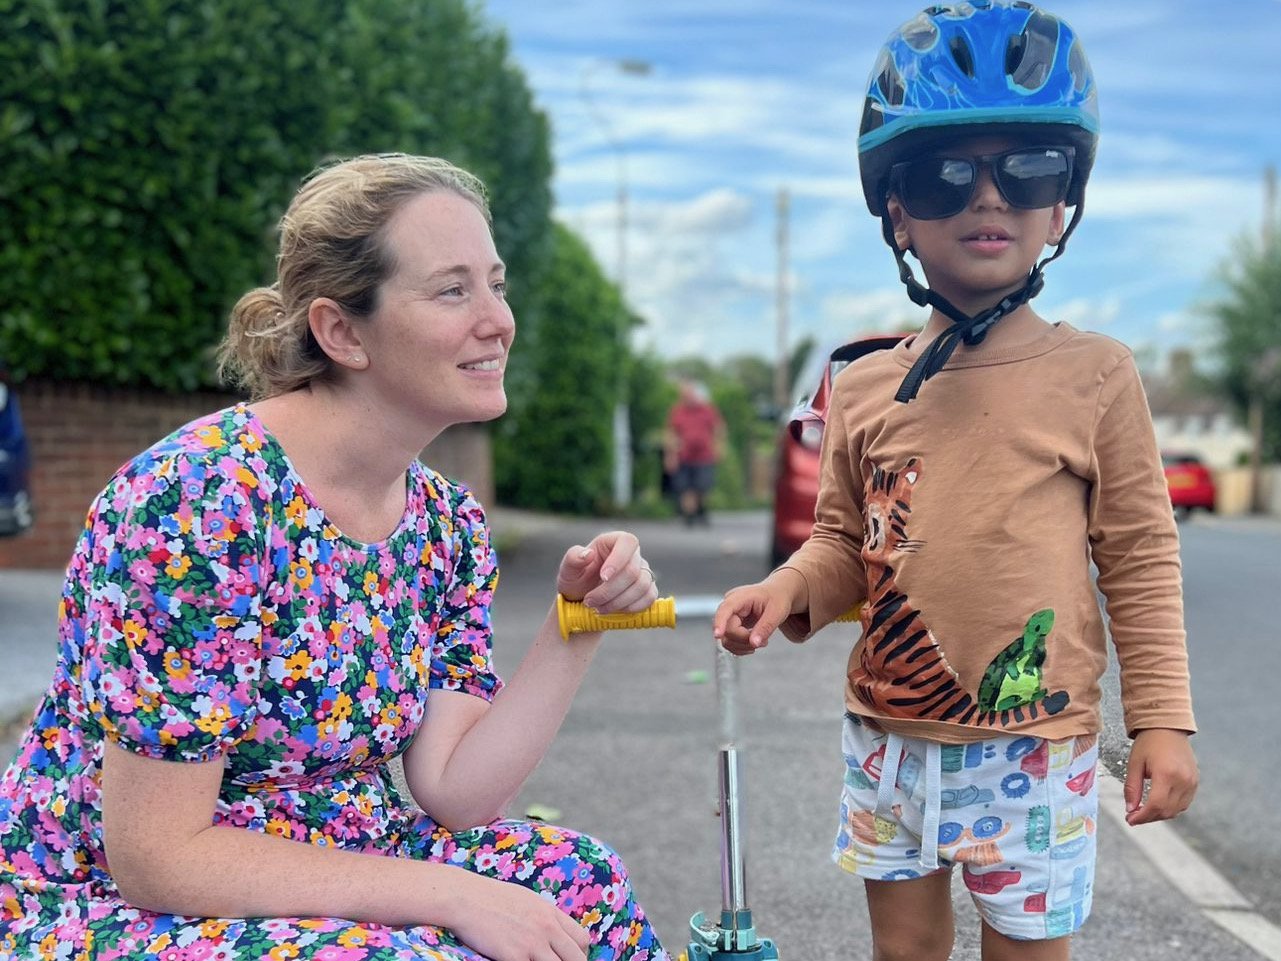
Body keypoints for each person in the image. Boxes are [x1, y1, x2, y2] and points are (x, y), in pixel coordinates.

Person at [0, 153, 670, 961]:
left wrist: (577, 622)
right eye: (453, 289)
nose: (498, 319)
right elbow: (157, 855)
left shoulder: (446, 523)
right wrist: (455, 894)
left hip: (344, 851)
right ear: (342, 330)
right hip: (112, 891)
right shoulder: (201, 502)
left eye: (495, 283)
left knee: (579, 878)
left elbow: (456, 793)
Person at [713, 4, 1198, 960]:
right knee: (904, 951)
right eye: (943, 176)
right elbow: (846, 545)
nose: (986, 198)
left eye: (1026, 169)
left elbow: (1139, 557)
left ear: (1062, 203)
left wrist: (1161, 721)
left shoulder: (1096, 375)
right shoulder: (860, 384)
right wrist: (780, 591)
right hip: (885, 739)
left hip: (1034, 744)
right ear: (896, 210)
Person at [663, 380, 724, 527]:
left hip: (704, 456)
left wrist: (719, 447)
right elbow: (670, 433)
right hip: (683, 455)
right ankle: (689, 516)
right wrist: (670, 455)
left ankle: (700, 509)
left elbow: (718, 429)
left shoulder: (707, 410)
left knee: (702, 486)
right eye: (685, 395)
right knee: (685, 487)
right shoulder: (677, 411)